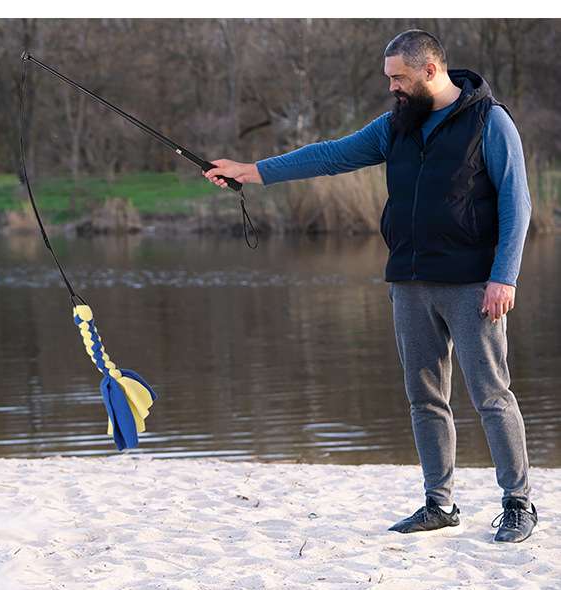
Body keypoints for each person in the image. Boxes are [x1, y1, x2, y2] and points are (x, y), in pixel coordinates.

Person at [204, 29, 536, 543]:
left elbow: (518, 204)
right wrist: (251, 172)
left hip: (474, 284)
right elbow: (331, 155)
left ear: (430, 71)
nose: (392, 89)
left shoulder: (489, 121)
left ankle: (517, 504)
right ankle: (439, 503)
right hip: (409, 281)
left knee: (491, 395)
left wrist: (503, 277)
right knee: (424, 397)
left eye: (399, 78)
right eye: (388, 79)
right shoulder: (394, 127)